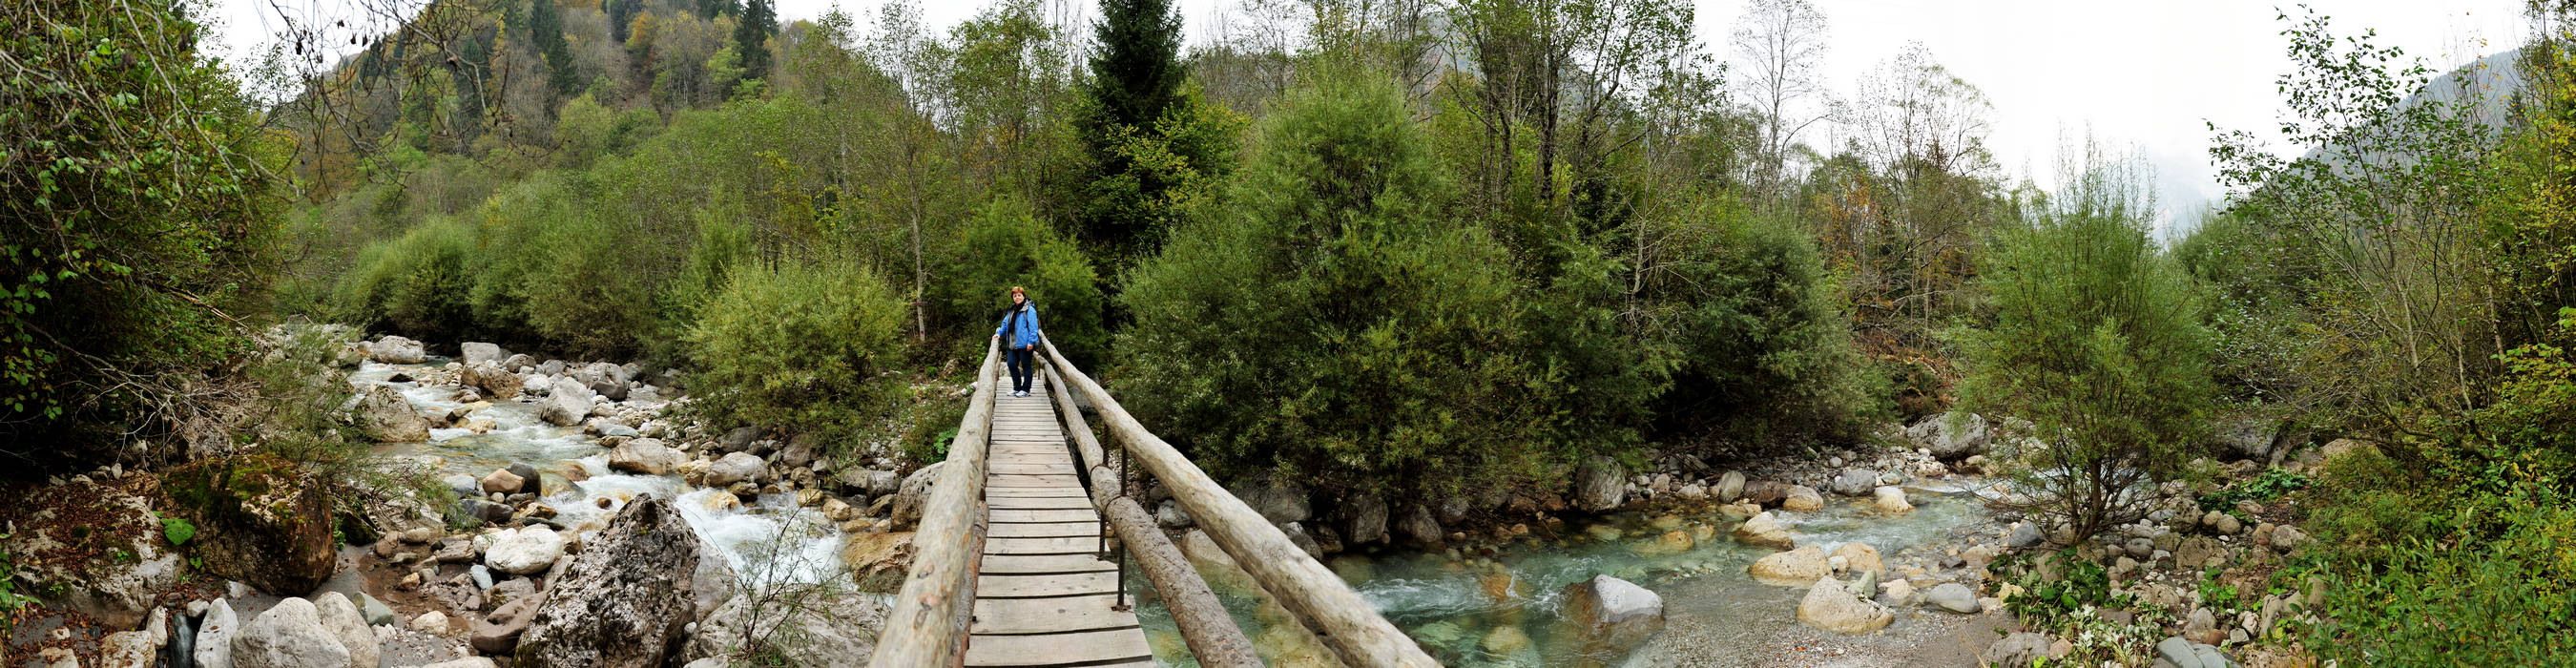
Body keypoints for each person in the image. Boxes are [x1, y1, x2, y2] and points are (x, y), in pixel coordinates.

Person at [991, 286, 1043, 397]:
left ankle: (1026, 390)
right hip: (1012, 343)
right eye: (1015, 296)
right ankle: (1017, 388)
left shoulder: (1029, 310)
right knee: (1011, 364)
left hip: (1025, 344)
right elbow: (1005, 324)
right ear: (1013, 298)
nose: (1017, 297)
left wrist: (1031, 342)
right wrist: (999, 333)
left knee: (1026, 366)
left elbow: (1034, 328)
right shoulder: (1012, 310)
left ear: (1023, 296)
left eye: (1019, 295)